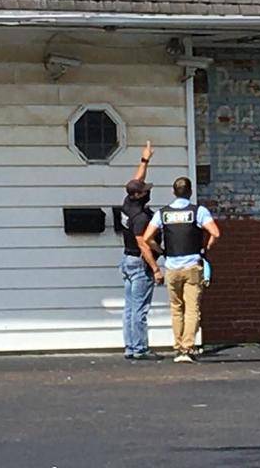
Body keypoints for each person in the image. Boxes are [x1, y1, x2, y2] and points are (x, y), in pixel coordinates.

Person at [143, 177, 220, 363]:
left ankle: (178, 348)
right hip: (192, 264)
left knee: (176, 308)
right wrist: (206, 248)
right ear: (190, 191)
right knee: (192, 309)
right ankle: (188, 347)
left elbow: (147, 238)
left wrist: (161, 250)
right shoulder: (198, 211)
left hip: (171, 266)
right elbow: (216, 233)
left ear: (173, 192)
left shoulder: (163, 213)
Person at [119, 141, 164, 361]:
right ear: (138, 196)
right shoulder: (141, 218)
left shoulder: (128, 203)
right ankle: (140, 349)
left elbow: (138, 180)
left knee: (129, 308)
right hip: (138, 262)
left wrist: (145, 159)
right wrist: (155, 268)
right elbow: (143, 244)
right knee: (139, 309)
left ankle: (130, 346)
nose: (147, 192)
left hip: (126, 260)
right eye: (144, 191)